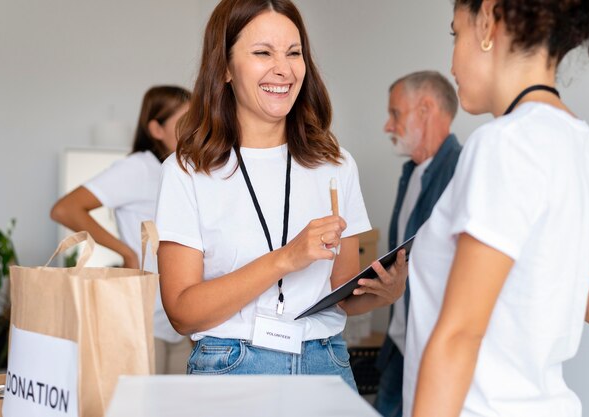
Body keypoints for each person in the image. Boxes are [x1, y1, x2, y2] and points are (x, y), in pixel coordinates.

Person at [154, 0, 408, 388]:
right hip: (231, 368)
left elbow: (342, 294)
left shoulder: (336, 164)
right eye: (262, 53)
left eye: (294, 53)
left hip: (327, 363)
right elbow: (182, 312)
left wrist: (384, 293)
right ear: (223, 67)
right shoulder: (187, 171)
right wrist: (286, 258)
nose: (284, 69)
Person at [403, 1, 589, 416]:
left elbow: (459, 335)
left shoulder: (504, 143)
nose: (451, 60)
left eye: (455, 33)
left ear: (487, 18)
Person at [51, 85, 192, 374]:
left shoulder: (182, 172)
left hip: (179, 321)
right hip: (142, 316)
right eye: (184, 122)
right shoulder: (138, 168)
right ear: (156, 129)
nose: (194, 130)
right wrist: (125, 252)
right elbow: (65, 208)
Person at [374, 71, 461, 417]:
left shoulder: (462, 173)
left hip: (431, 351)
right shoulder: (411, 173)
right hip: (399, 345)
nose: (387, 125)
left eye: (395, 113)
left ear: (425, 109)